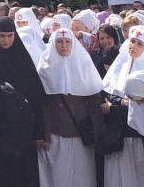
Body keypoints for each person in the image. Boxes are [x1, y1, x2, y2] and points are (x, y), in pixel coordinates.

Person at [0, 16, 45, 187]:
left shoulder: (22, 60)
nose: (6, 40)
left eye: (10, 36)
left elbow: (36, 97)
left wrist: (39, 132)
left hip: (21, 132)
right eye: (2, 36)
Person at [101, 27, 144, 187]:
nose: (134, 46)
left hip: (141, 139)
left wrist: (114, 107)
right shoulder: (122, 66)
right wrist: (123, 102)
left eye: (140, 44)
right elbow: (109, 92)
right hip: (118, 137)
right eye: (132, 41)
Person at [36, 28, 104, 187]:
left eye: (67, 42)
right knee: (57, 177)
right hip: (55, 134)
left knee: (83, 177)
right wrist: (44, 134)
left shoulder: (84, 64)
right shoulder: (45, 68)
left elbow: (95, 103)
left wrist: (98, 135)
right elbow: (42, 105)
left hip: (81, 134)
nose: (64, 45)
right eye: (59, 42)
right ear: (53, 44)